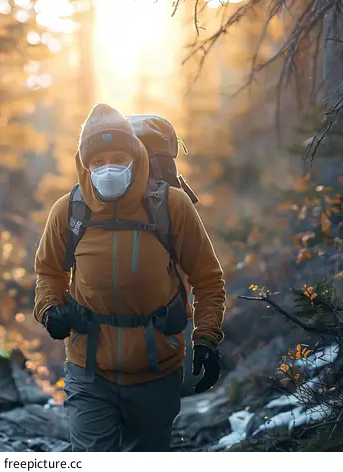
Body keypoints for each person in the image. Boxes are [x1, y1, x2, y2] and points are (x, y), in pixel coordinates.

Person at [33, 103, 227, 452]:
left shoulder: (172, 206)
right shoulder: (68, 211)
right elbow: (48, 271)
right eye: (96, 161)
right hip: (89, 371)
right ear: (84, 165)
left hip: (157, 371)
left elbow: (208, 279)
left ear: (135, 157)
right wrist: (50, 309)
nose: (107, 168)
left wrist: (207, 340)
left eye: (118, 158)